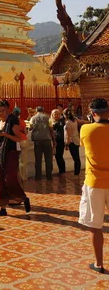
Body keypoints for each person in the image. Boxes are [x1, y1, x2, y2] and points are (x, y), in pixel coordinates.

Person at [78, 98, 109, 274]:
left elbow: (84, 143)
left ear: (93, 112)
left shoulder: (86, 129)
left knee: (96, 226)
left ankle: (99, 263)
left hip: (94, 183)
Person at [0, 100, 31, 216]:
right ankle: (2, 207)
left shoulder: (12, 120)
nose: (0, 113)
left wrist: (6, 135)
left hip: (11, 153)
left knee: (10, 178)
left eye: (2, 111)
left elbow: (19, 138)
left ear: (7, 110)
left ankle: (23, 198)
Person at [29, 106, 55, 180]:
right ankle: (49, 176)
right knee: (48, 159)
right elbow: (51, 129)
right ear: (43, 111)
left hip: (37, 140)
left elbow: (30, 128)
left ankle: (38, 176)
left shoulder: (33, 118)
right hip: (47, 140)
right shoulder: (48, 118)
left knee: (38, 159)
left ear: (36, 111)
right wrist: (54, 141)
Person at [64, 108, 81, 175]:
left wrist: (67, 144)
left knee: (75, 158)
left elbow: (68, 135)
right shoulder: (75, 120)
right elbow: (81, 121)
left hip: (72, 142)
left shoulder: (68, 123)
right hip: (77, 140)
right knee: (77, 157)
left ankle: (76, 173)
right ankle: (77, 172)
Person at [51, 109, 66, 175]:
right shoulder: (50, 121)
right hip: (53, 140)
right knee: (57, 156)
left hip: (60, 141)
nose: (56, 115)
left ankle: (62, 170)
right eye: (55, 114)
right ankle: (61, 170)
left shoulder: (61, 122)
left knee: (59, 155)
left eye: (57, 114)